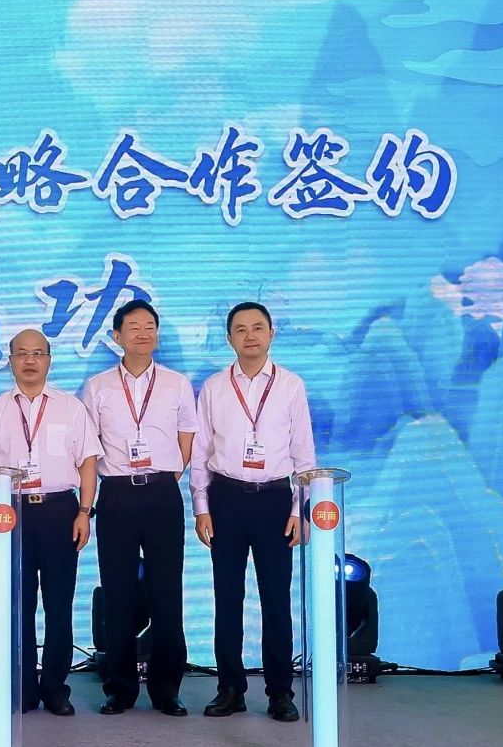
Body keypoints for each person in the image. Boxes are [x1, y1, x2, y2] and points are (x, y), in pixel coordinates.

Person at [191, 301, 317, 723]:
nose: (250, 336)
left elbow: (304, 454)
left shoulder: (291, 385)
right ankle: (230, 689)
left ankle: (280, 692)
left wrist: (300, 510)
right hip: (225, 499)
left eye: (258, 327)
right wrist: (201, 507)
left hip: (275, 501)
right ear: (229, 338)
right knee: (227, 599)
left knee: (276, 601)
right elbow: (200, 454)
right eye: (241, 329)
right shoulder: (213, 387)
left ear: (271, 334)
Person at [0, 328, 100, 716]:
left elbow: (88, 462)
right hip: (12, 514)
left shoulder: (71, 408)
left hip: (60, 511)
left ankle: (56, 688)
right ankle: (22, 686)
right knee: (17, 606)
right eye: (21, 353)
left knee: (59, 605)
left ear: (49, 360)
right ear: (10, 361)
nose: (29, 360)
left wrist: (84, 511)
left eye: (38, 353)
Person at [80, 299, 196, 717]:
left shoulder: (177, 383)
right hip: (116, 495)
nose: (143, 333)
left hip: (162, 494)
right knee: (118, 594)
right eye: (134, 327)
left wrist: (163, 477)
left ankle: (167, 689)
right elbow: (89, 447)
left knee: (167, 593)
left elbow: (186, 439)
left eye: (150, 326)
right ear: (117, 336)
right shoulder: (97, 386)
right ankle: (120, 688)